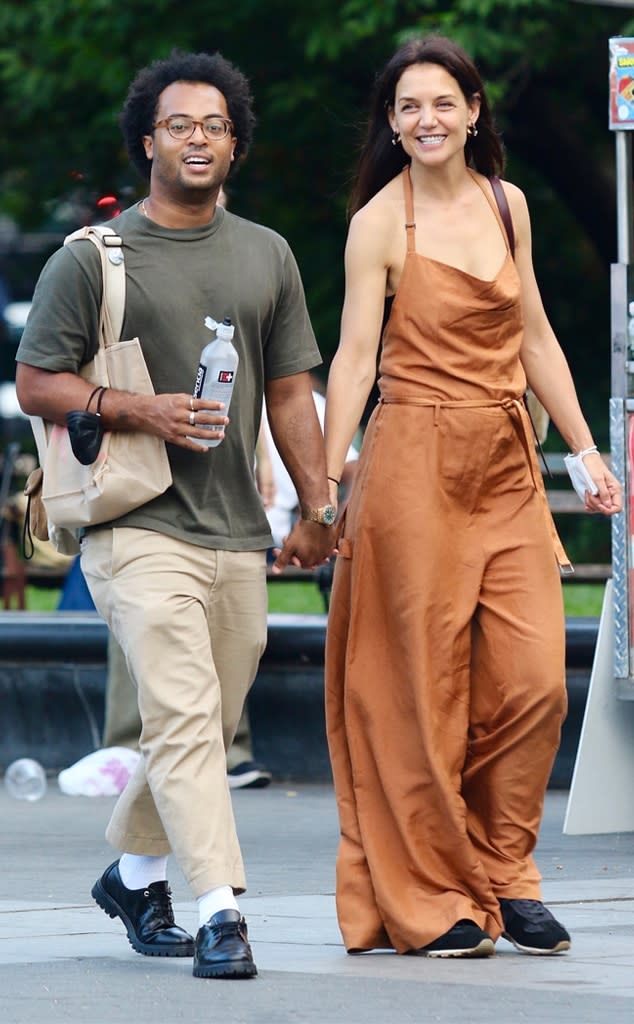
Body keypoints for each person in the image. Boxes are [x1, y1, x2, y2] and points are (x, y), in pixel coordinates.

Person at [15, 49, 335, 981]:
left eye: (215, 126)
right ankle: (220, 911)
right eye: (179, 124)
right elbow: (39, 381)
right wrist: (134, 407)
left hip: (237, 529)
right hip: (135, 524)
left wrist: (317, 505)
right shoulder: (94, 258)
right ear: (146, 139)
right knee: (190, 720)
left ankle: (131, 875)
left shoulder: (267, 253)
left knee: (191, 724)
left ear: (234, 145)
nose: (198, 138)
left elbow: (289, 393)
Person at [323, 34, 621, 960]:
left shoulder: (509, 204)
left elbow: (534, 333)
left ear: (475, 110)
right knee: (420, 686)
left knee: (533, 683)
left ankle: (504, 868)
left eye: (442, 103)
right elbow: (354, 359)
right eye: (408, 107)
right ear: (392, 122)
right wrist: (330, 477)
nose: (426, 121)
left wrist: (585, 448)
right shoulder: (380, 220)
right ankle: (437, 893)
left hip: (505, 461)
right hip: (413, 456)